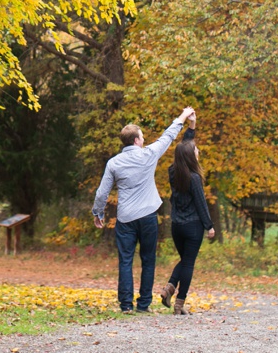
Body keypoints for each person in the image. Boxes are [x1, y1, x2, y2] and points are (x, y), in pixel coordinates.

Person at [92, 106, 196, 314]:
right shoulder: (148, 154)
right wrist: (184, 116)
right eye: (142, 137)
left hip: (126, 218)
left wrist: (98, 213)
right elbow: (168, 136)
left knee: (126, 260)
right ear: (137, 140)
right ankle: (144, 304)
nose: (143, 139)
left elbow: (102, 192)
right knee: (148, 259)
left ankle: (125, 305)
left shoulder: (113, 163)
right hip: (148, 216)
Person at [159, 113, 215, 315]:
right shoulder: (193, 178)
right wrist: (209, 225)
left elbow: (183, 148)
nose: (197, 150)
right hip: (193, 227)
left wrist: (192, 125)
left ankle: (169, 289)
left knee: (184, 261)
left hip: (177, 226)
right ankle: (179, 304)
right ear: (191, 156)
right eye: (196, 150)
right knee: (188, 263)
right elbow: (201, 204)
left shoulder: (173, 171)